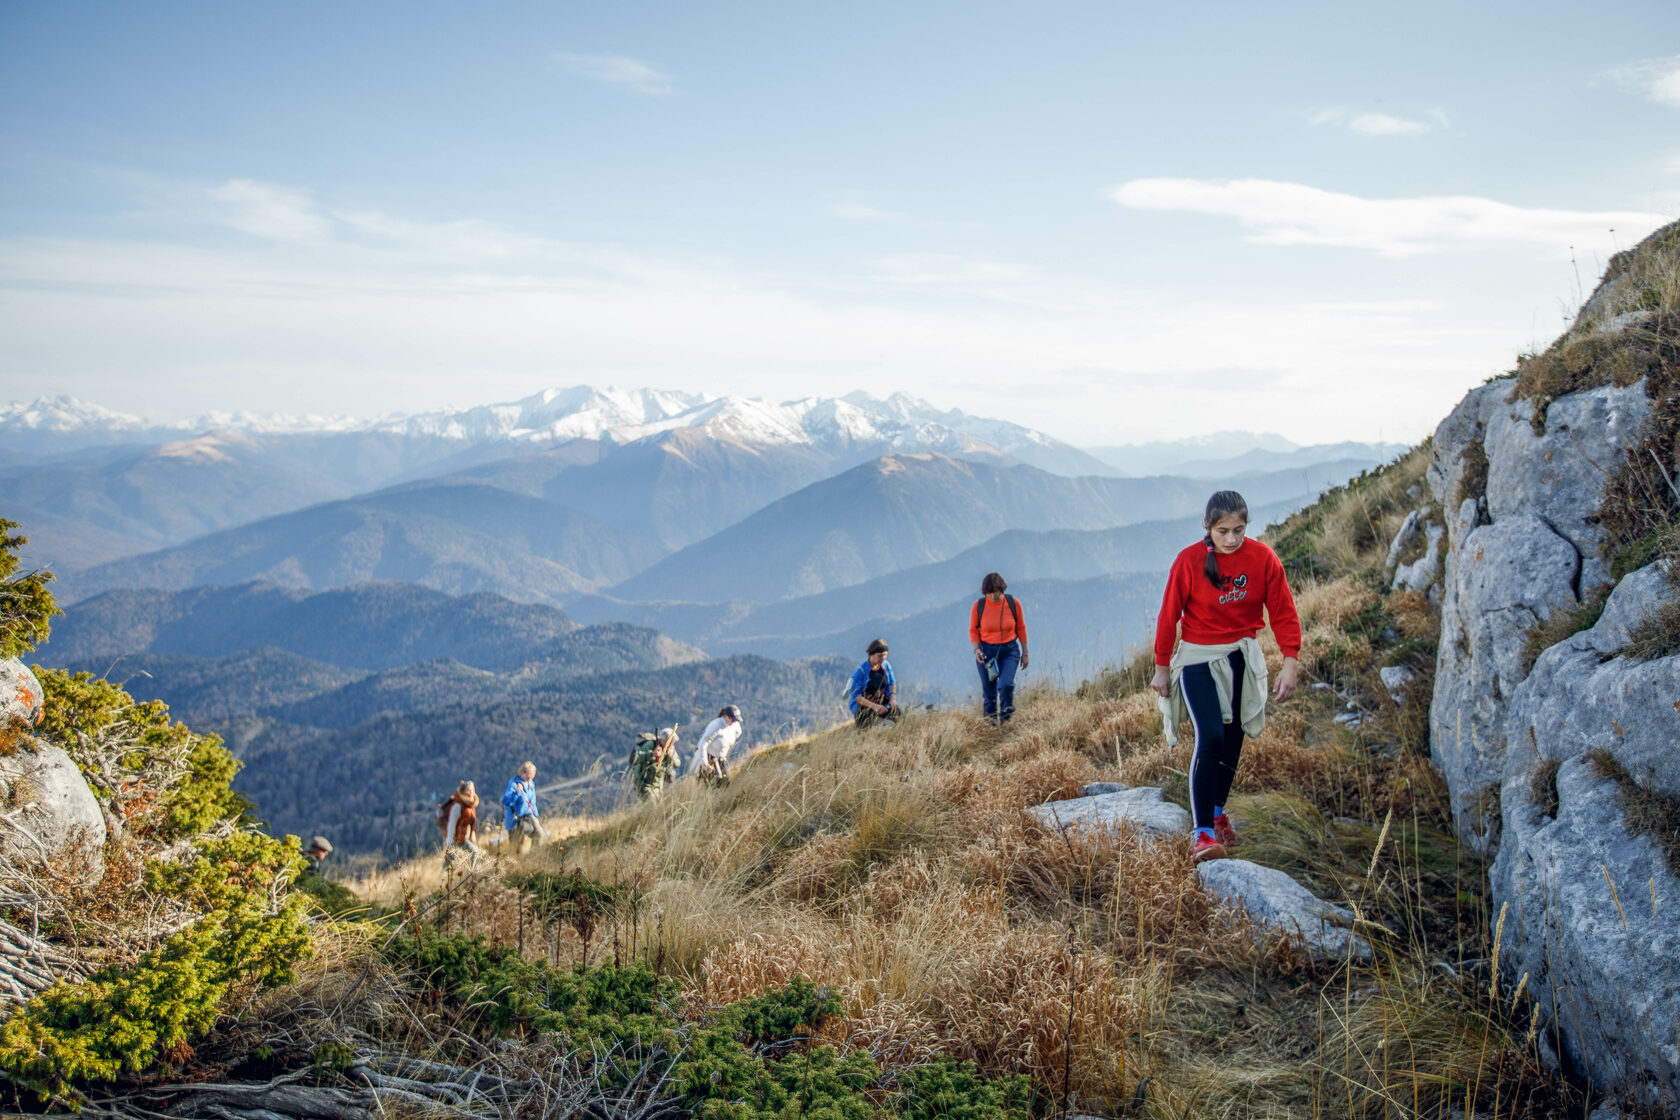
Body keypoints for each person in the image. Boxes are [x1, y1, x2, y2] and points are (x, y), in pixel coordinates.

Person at [1150, 490, 1301, 865]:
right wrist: (1161, 667)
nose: (1231, 539)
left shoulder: (1263, 558)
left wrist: (1290, 661)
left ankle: (1218, 813)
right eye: (1222, 531)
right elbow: (1168, 616)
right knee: (1212, 735)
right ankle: (1201, 834)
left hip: (1241, 657)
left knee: (1234, 738)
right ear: (1207, 526)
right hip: (1199, 658)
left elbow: (1282, 610)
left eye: (1238, 530)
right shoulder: (1188, 562)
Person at [969, 573, 1029, 723]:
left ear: (1002, 589)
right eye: (990, 593)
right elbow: (973, 630)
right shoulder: (979, 606)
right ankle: (990, 729)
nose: (994, 596)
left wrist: (1025, 653)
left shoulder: (1013, 604)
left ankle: (1006, 720)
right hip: (987, 652)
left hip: (1009, 650)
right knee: (989, 695)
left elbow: (1021, 628)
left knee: (1006, 685)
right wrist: (976, 650)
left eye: (997, 592)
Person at [849, 639, 898, 728]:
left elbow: (892, 682)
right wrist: (874, 706)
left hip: (883, 704)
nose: (883, 658)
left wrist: (892, 699)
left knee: (900, 720)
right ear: (871, 654)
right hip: (866, 708)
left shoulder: (886, 666)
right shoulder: (861, 671)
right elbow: (855, 695)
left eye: (885, 655)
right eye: (880, 656)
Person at [689, 705, 743, 786]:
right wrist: (705, 764)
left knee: (725, 784)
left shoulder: (735, 726)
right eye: (732, 719)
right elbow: (703, 744)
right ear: (725, 716)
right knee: (710, 785)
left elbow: (737, 733)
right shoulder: (716, 726)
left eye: (735, 719)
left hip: (721, 759)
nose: (734, 721)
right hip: (709, 759)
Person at [502, 761, 544, 854]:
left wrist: (535, 815)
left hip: (527, 817)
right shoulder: (514, 784)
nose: (530, 776)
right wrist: (516, 792)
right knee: (517, 847)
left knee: (539, 835)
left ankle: (534, 856)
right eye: (529, 774)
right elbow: (505, 801)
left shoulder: (531, 784)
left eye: (533, 774)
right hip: (514, 820)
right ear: (522, 773)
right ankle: (516, 864)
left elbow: (532, 802)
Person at [629, 727, 682, 800]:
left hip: (658, 785)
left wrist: (671, 756)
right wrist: (652, 754)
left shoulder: (670, 749)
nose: (671, 745)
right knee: (651, 805)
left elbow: (677, 764)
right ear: (663, 740)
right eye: (670, 742)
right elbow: (636, 758)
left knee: (657, 808)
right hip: (645, 783)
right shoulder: (650, 745)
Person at [438, 780, 480, 867]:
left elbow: (470, 823)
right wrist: (450, 843)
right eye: (468, 790)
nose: (470, 792)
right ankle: (472, 873)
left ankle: (442, 876)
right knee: (475, 852)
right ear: (463, 791)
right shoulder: (458, 806)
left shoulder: (470, 806)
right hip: (457, 839)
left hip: (463, 837)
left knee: (450, 862)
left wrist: (472, 835)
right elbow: (451, 825)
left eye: (472, 790)